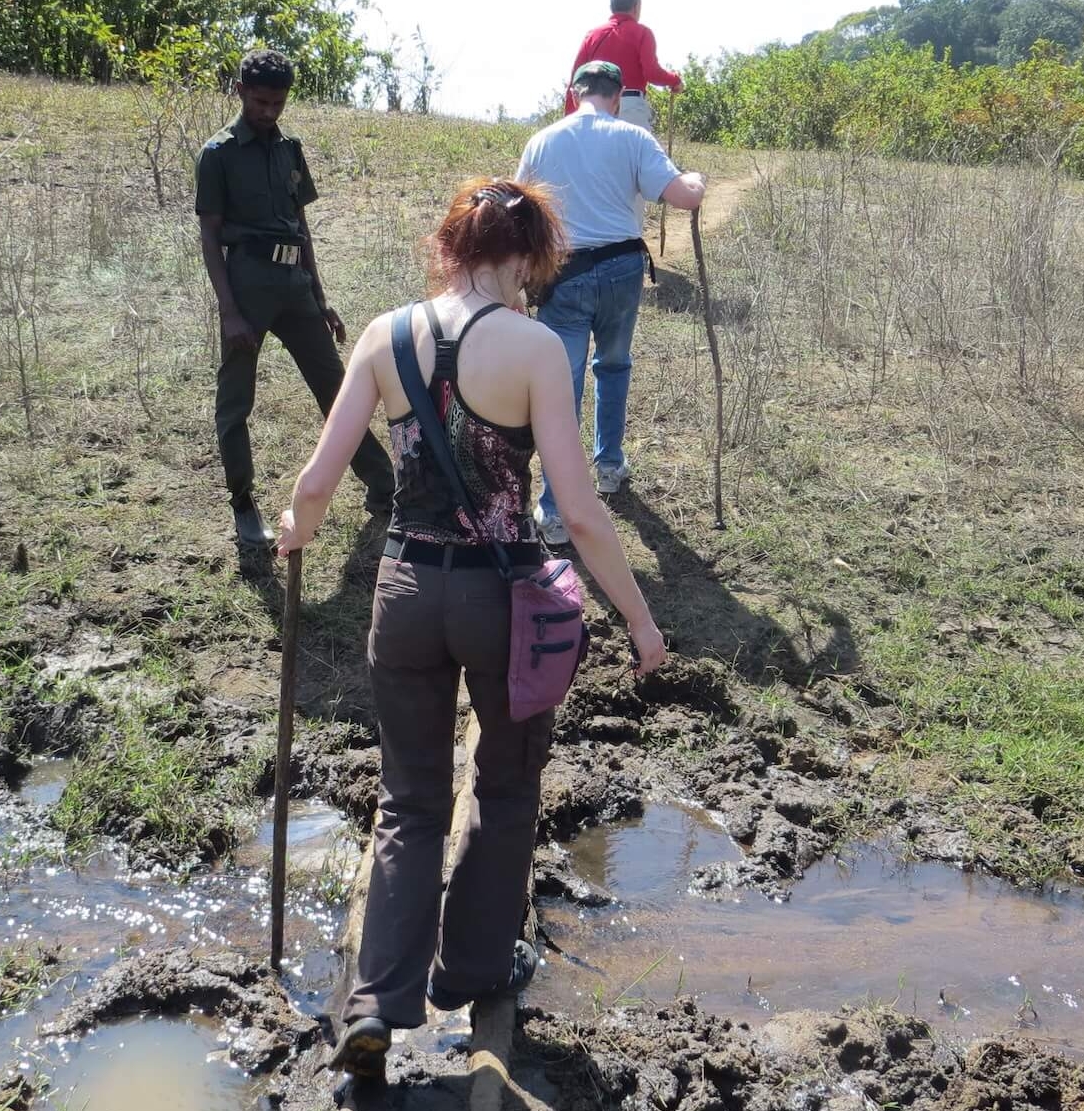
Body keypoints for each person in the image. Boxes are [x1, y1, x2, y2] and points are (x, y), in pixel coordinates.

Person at [276, 177, 669, 1083]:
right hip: (503, 598)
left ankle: (377, 1001)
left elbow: (318, 481)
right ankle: (475, 969)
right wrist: (639, 621)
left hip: (406, 589)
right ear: (530, 258)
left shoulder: (384, 334)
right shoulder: (533, 347)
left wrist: (297, 530)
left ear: (450, 245)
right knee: (504, 785)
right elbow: (577, 511)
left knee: (409, 798)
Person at [196, 49, 394, 548]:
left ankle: (384, 486)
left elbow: (302, 227)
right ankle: (243, 505)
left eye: (278, 103)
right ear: (240, 91)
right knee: (236, 403)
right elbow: (210, 236)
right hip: (247, 286)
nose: (269, 111)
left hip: (295, 285)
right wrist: (230, 312)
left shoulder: (290, 149)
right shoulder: (218, 153)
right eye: (261, 101)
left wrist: (321, 297)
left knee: (338, 390)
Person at [518, 60, 706, 547]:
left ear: (574, 92)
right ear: (618, 95)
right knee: (615, 363)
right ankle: (608, 466)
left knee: (562, 388)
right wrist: (697, 180)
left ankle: (554, 511)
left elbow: (519, 212)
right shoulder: (633, 138)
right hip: (622, 271)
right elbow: (682, 198)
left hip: (565, 274)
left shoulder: (543, 141)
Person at [564, 0, 684, 135]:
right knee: (638, 155)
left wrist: (570, 119)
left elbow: (575, 81)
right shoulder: (643, 33)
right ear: (637, 6)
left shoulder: (592, 35)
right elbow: (652, 73)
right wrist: (675, 80)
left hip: (596, 107)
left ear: (612, 7)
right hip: (631, 108)